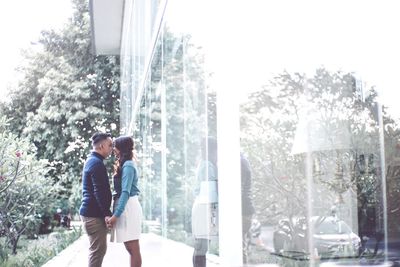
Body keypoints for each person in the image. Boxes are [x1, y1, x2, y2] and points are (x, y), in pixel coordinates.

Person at [106, 136, 142, 267]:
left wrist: (116, 215)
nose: (113, 149)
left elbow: (125, 192)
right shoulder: (125, 164)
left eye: (114, 146)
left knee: (133, 248)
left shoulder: (128, 166)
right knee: (130, 247)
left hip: (129, 207)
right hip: (126, 206)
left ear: (121, 148)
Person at [79, 132, 113, 267]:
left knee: (97, 251)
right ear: (101, 146)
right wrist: (106, 213)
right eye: (110, 145)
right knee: (97, 252)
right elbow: (99, 191)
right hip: (93, 215)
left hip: (91, 213)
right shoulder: (96, 163)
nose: (112, 148)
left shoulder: (93, 160)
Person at [191, 136, 218, 267]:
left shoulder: (204, 164)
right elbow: (211, 191)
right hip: (204, 208)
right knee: (201, 247)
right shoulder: (208, 165)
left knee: (201, 247)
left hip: (202, 207)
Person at [240, 153, 256, 264]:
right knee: (241, 245)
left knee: (239, 246)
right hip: (245, 209)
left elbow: (239, 188)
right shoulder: (243, 160)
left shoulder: (240, 162)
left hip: (243, 209)